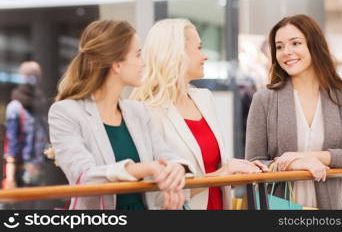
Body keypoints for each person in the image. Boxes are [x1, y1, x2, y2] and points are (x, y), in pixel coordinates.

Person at [49, 20, 189, 210]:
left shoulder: (138, 111)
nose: (143, 63)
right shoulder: (66, 112)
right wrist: (145, 168)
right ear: (117, 65)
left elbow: (167, 156)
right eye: (138, 55)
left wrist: (175, 167)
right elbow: (84, 176)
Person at [130, 19, 268, 210]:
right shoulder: (145, 110)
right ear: (177, 53)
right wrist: (220, 175)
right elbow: (155, 197)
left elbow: (212, 166)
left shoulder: (204, 99)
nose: (205, 56)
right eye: (199, 48)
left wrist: (236, 169)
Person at [245, 14, 342, 209]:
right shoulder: (264, 100)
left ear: (314, 45)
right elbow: (253, 165)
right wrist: (294, 164)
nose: (286, 52)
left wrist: (315, 157)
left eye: (295, 43)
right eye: (279, 46)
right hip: (277, 210)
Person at [3, 61, 48, 192]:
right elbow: (11, 142)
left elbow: (44, 136)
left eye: (34, 76)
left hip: (39, 167)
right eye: (28, 75)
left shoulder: (40, 104)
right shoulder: (16, 107)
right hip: (21, 169)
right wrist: (10, 178)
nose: (32, 80)